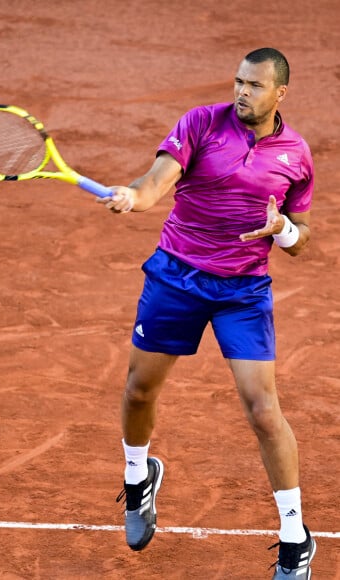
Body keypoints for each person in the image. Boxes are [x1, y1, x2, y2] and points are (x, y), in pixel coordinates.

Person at [100, 48, 316, 578]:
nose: (242, 92)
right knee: (138, 390)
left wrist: (281, 231)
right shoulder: (201, 123)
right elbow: (156, 183)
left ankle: (294, 535)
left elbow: (301, 239)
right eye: (239, 82)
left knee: (263, 410)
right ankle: (137, 477)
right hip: (176, 275)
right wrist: (134, 195)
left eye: (255, 86)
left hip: (242, 291)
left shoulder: (296, 155)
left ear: (280, 93)